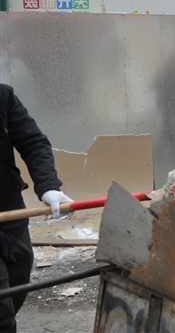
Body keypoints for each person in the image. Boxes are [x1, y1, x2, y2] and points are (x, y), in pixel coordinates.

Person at [1, 84, 72, 333]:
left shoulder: (2, 96)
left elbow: (33, 142)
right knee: (2, 314)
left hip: (10, 214)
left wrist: (48, 187)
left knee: (19, 279)